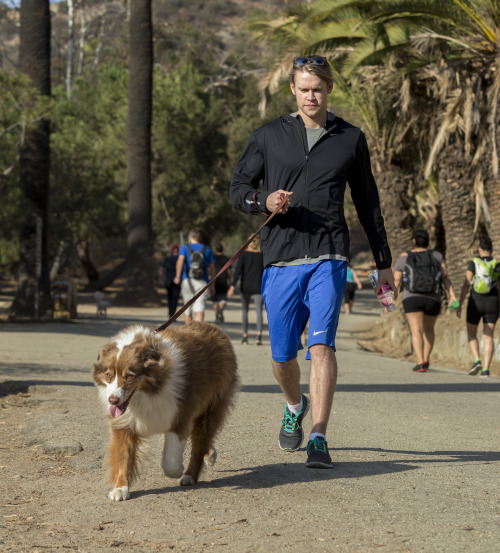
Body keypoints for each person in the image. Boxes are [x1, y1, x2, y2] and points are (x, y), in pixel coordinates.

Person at [229, 54, 396, 469]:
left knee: (320, 346)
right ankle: (293, 403)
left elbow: (368, 201)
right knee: (283, 355)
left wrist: (384, 261)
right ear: (292, 89)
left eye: (317, 89)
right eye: (303, 89)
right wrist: (262, 200)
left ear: (329, 89)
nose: (310, 96)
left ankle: (319, 435)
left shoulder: (350, 138)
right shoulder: (269, 136)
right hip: (281, 257)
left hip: (329, 253)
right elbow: (238, 187)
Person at [394, 229, 457, 373]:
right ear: (428, 241)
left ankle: (420, 361)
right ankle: (426, 360)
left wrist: (388, 301)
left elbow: (397, 280)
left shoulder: (404, 256)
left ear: (414, 241)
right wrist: (452, 295)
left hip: (411, 297)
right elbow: (445, 277)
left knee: (416, 330)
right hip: (433, 298)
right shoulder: (436, 255)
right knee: (429, 329)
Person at [456, 236, 500, 378]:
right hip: (492, 302)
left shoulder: (473, 263)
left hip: (476, 301)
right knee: (488, 336)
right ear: (491, 249)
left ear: (479, 249)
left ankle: (477, 361)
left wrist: (460, 304)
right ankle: (486, 370)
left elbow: (466, 284)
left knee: (471, 333)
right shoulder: (496, 264)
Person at [227, 235, 265, 345]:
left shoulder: (243, 254)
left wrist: (232, 285)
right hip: (259, 286)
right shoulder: (262, 255)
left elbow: (237, 271)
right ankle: (259, 336)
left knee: (245, 311)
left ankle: (245, 337)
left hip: (245, 287)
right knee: (259, 311)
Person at [173, 228, 216, 324]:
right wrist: (212, 285)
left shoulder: (184, 247)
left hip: (187, 280)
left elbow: (180, 260)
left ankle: (189, 333)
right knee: (199, 309)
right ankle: (197, 334)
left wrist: (177, 276)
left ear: (190, 237)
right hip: (202, 282)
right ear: (200, 238)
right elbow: (212, 268)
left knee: (187, 308)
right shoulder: (207, 249)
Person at [159, 244, 181, 318]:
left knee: (169, 297)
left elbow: (161, 269)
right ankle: (172, 314)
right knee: (175, 298)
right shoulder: (180, 258)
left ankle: (170, 313)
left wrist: (161, 279)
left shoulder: (167, 259)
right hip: (177, 280)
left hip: (168, 280)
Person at [211, 243, 231, 323]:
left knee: (214, 300)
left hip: (214, 280)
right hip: (223, 280)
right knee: (223, 299)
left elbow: (210, 268)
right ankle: (221, 310)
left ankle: (216, 315)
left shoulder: (213, 258)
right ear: (222, 249)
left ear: (216, 250)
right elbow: (229, 271)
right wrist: (230, 280)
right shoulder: (226, 258)